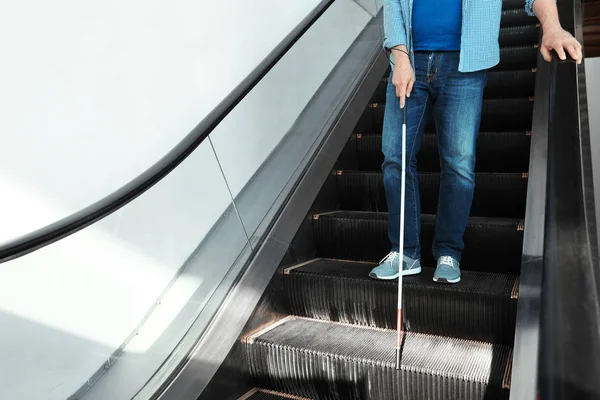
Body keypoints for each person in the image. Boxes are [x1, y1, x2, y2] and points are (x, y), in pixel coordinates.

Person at [369, 0, 583, 283]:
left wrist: (552, 27)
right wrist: (400, 56)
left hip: (465, 66)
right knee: (395, 157)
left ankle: (449, 252)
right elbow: (394, 3)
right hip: (409, 60)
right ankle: (404, 252)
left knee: (458, 163)